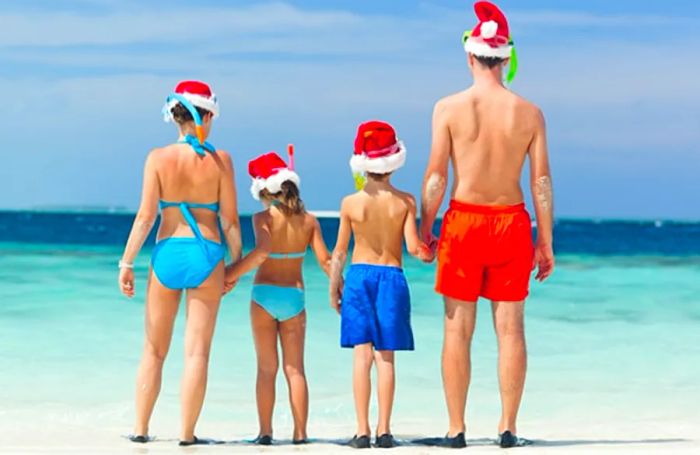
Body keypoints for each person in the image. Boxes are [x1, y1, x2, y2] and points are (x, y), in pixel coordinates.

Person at [418, 1, 555, 449]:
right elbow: (541, 181)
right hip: (512, 223)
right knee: (511, 329)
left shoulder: (449, 108)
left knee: (458, 329)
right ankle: (507, 428)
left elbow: (437, 175)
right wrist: (545, 240)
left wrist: (425, 224)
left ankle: (456, 430)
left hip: (464, 222)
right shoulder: (529, 112)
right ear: (506, 56)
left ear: (470, 55)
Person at [118, 80, 242, 446]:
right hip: (207, 254)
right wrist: (234, 265)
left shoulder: (157, 158)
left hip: (168, 252)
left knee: (154, 350)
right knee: (197, 352)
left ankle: (141, 430)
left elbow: (145, 218)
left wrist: (126, 263)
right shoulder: (222, 161)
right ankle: (187, 437)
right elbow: (232, 223)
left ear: (175, 117)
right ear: (205, 115)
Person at [330, 121, 431, 449]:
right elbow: (415, 249)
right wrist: (434, 250)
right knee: (385, 357)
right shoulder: (405, 202)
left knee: (361, 356)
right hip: (392, 278)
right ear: (395, 160)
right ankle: (384, 431)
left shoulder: (350, 203)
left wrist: (335, 285)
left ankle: (361, 432)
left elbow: (340, 252)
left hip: (358, 277)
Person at [224, 151, 331, 445]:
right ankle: (300, 435)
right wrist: (340, 288)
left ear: (263, 189)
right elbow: (325, 262)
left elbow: (261, 253)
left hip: (263, 296)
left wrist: (229, 275)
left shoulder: (262, 218)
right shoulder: (310, 222)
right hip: (294, 298)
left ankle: (265, 433)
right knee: (295, 369)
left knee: (266, 369)